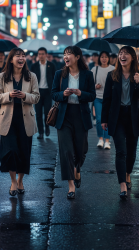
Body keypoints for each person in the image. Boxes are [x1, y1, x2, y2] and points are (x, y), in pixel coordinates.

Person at [101, 46, 139, 200]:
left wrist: (138, 83)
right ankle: (122, 184)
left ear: (133, 57)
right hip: (118, 117)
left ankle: (127, 174)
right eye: (121, 53)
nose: (122, 55)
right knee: (121, 151)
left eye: (126, 53)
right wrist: (104, 119)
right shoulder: (112, 75)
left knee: (132, 152)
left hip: (134, 117)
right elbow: (106, 99)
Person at [51, 46, 96, 200]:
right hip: (64, 116)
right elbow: (53, 93)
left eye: (69, 54)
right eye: (64, 54)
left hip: (81, 115)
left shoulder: (87, 74)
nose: (66, 56)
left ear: (77, 57)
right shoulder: (60, 74)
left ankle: (77, 169)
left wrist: (80, 93)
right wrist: (62, 94)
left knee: (81, 150)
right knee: (66, 151)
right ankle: (71, 185)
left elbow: (92, 95)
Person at [0, 48, 40, 196]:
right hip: (8, 119)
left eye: (23, 56)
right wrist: (9, 95)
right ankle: (13, 182)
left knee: (24, 152)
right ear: (11, 59)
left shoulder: (31, 76)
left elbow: (36, 97)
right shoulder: (2, 76)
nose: (21, 58)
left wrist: (25, 95)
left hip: (25, 119)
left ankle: (20, 180)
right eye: (17, 56)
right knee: (11, 152)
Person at [31, 47, 56, 139]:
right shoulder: (34, 66)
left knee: (47, 112)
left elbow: (55, 78)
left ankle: (47, 127)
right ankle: (40, 132)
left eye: (42, 54)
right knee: (38, 113)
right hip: (38, 92)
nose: (41, 56)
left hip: (47, 92)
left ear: (46, 55)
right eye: (39, 54)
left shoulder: (51, 65)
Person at [91, 51, 115, 149]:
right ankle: (100, 138)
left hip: (109, 98)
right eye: (102, 57)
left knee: (108, 119)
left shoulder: (113, 69)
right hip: (98, 97)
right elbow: (89, 85)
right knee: (99, 119)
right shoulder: (94, 69)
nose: (104, 59)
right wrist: (95, 86)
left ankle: (107, 141)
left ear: (108, 58)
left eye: (106, 57)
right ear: (99, 58)